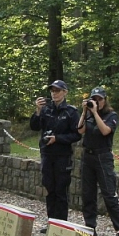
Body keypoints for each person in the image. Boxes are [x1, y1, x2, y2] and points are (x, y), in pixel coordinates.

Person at [78, 86, 119, 236]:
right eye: (94, 99)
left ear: (105, 100)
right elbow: (80, 130)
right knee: (88, 194)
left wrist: (95, 113)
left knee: (109, 194)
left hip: (103, 157)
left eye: (100, 99)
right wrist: (85, 112)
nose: (97, 102)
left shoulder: (111, 115)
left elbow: (105, 131)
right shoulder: (89, 114)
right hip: (88, 157)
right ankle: (90, 226)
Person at [30, 80, 81, 223]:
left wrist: (57, 138)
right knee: (49, 189)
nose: (54, 93)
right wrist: (38, 111)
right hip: (47, 154)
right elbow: (34, 127)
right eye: (52, 91)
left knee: (61, 190)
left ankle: (61, 223)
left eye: (57, 91)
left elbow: (76, 134)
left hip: (62, 156)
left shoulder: (71, 111)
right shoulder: (46, 109)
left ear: (65, 92)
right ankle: (51, 221)